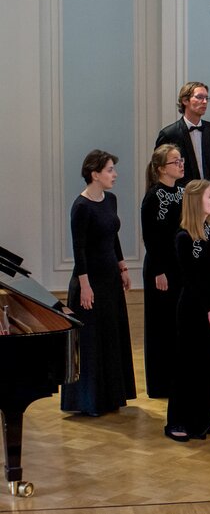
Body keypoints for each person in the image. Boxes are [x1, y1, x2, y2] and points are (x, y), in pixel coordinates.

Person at [61, 150, 137, 416]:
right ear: (95, 174)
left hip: (110, 279)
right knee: (92, 341)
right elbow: (78, 248)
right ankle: (89, 401)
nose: (115, 175)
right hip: (89, 281)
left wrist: (122, 267)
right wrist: (85, 285)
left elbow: (113, 237)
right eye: (109, 170)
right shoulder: (81, 207)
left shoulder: (110, 200)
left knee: (111, 336)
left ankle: (111, 396)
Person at [165, 180, 210, 441]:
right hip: (193, 308)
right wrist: (209, 309)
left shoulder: (208, 230)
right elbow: (190, 278)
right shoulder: (183, 237)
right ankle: (178, 421)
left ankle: (203, 419)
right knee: (188, 365)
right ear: (196, 202)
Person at [140, 144, 186, 399]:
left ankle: (177, 378)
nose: (181, 165)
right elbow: (151, 236)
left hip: (178, 266)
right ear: (160, 169)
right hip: (160, 268)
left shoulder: (182, 192)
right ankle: (160, 383)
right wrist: (159, 270)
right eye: (175, 162)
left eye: (181, 160)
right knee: (160, 325)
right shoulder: (153, 196)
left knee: (176, 323)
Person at [155, 81, 210, 216]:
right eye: (199, 97)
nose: (204, 102)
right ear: (185, 100)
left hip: (209, 200)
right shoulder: (169, 134)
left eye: (206, 98)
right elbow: (160, 170)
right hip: (181, 200)